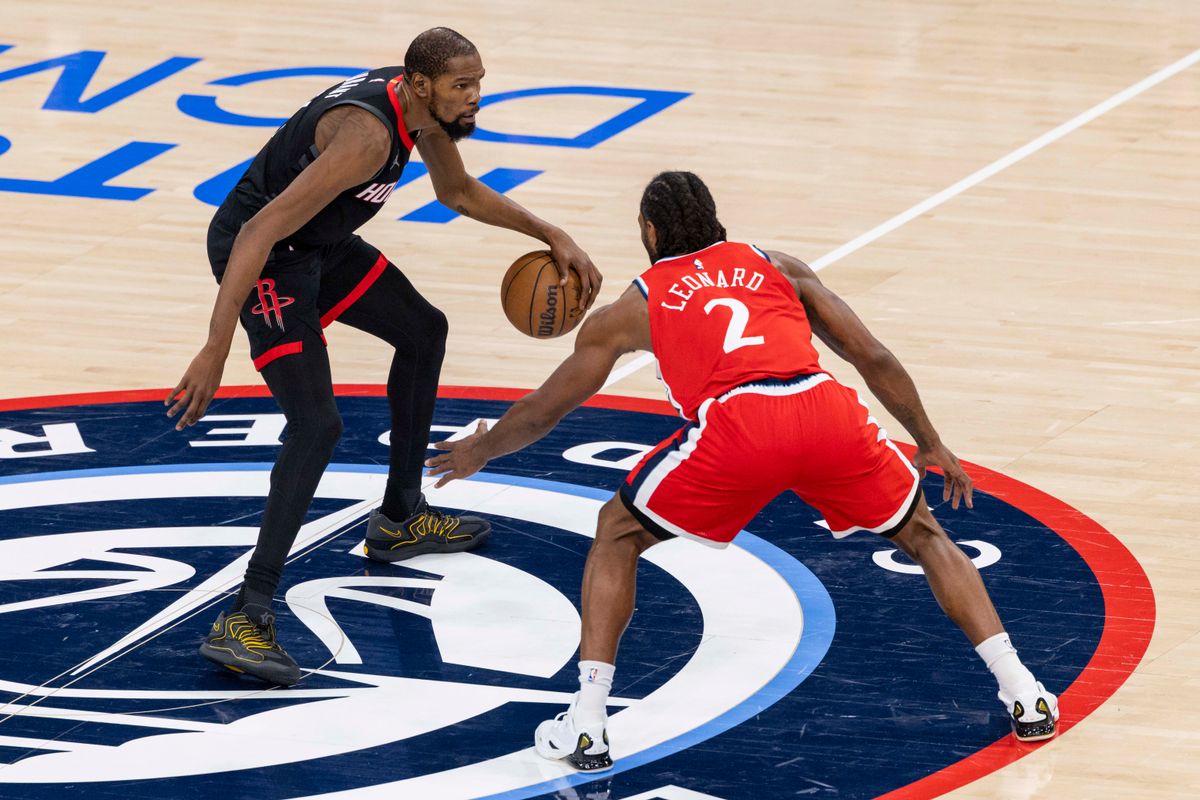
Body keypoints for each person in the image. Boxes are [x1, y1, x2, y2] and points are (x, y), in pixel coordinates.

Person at [426, 171, 1059, 771]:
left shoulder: (632, 308)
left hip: (739, 423)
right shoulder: (777, 265)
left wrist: (483, 450)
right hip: (822, 408)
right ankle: (1025, 692)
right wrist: (930, 441)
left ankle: (588, 721)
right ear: (715, 219)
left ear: (650, 231)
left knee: (618, 530)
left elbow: (545, 410)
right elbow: (872, 355)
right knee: (923, 534)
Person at [164, 27, 603, 687]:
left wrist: (550, 231)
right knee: (316, 426)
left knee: (424, 331)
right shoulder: (367, 139)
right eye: (462, 85)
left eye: (478, 83)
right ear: (422, 84)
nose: (475, 96)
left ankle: (400, 517)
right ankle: (246, 614)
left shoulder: (419, 111)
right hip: (264, 259)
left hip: (317, 245)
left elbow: (458, 192)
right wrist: (214, 347)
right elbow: (257, 229)